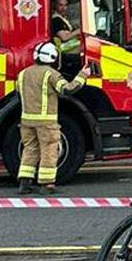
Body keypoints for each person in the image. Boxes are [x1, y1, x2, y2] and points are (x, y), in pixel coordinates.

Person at [16, 42, 88, 195]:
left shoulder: (23, 73)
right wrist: (83, 75)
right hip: (46, 121)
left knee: (30, 148)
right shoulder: (51, 74)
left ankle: (24, 182)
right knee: (49, 149)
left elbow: (18, 92)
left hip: (26, 120)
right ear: (53, 58)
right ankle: (46, 183)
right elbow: (68, 89)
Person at [50, 0, 83, 77]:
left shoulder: (62, 18)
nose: (64, 8)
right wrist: (78, 31)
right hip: (64, 51)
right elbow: (64, 37)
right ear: (54, 5)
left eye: (65, 5)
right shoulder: (56, 20)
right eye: (60, 5)